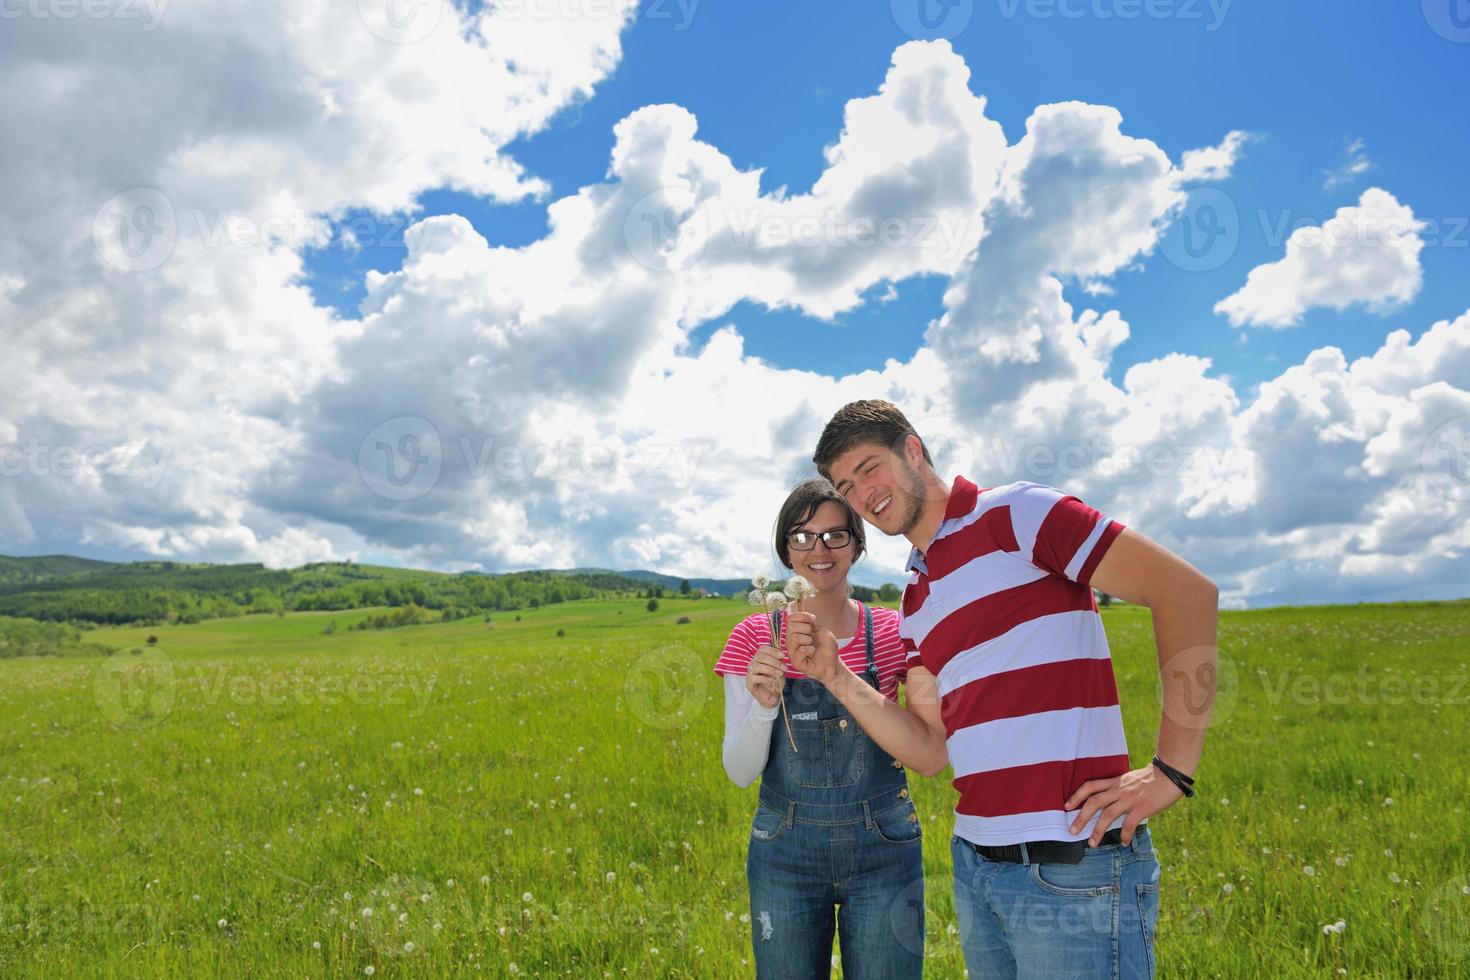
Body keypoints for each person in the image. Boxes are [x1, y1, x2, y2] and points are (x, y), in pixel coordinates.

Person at [787, 399, 1219, 979]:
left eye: (870, 469)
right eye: (846, 484)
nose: (863, 494)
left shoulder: (1020, 514)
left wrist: (1172, 769)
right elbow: (930, 747)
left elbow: (1184, 593)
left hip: (1073, 866)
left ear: (912, 450)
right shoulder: (914, 598)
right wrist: (834, 676)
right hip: (977, 868)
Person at [714, 478, 934, 979]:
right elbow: (739, 771)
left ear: (857, 543)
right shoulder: (753, 636)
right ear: (785, 550)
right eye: (802, 535)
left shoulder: (895, 630)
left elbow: (930, 753)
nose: (819, 549)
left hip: (885, 845)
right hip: (783, 850)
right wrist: (764, 707)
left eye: (836, 535)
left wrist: (841, 677)